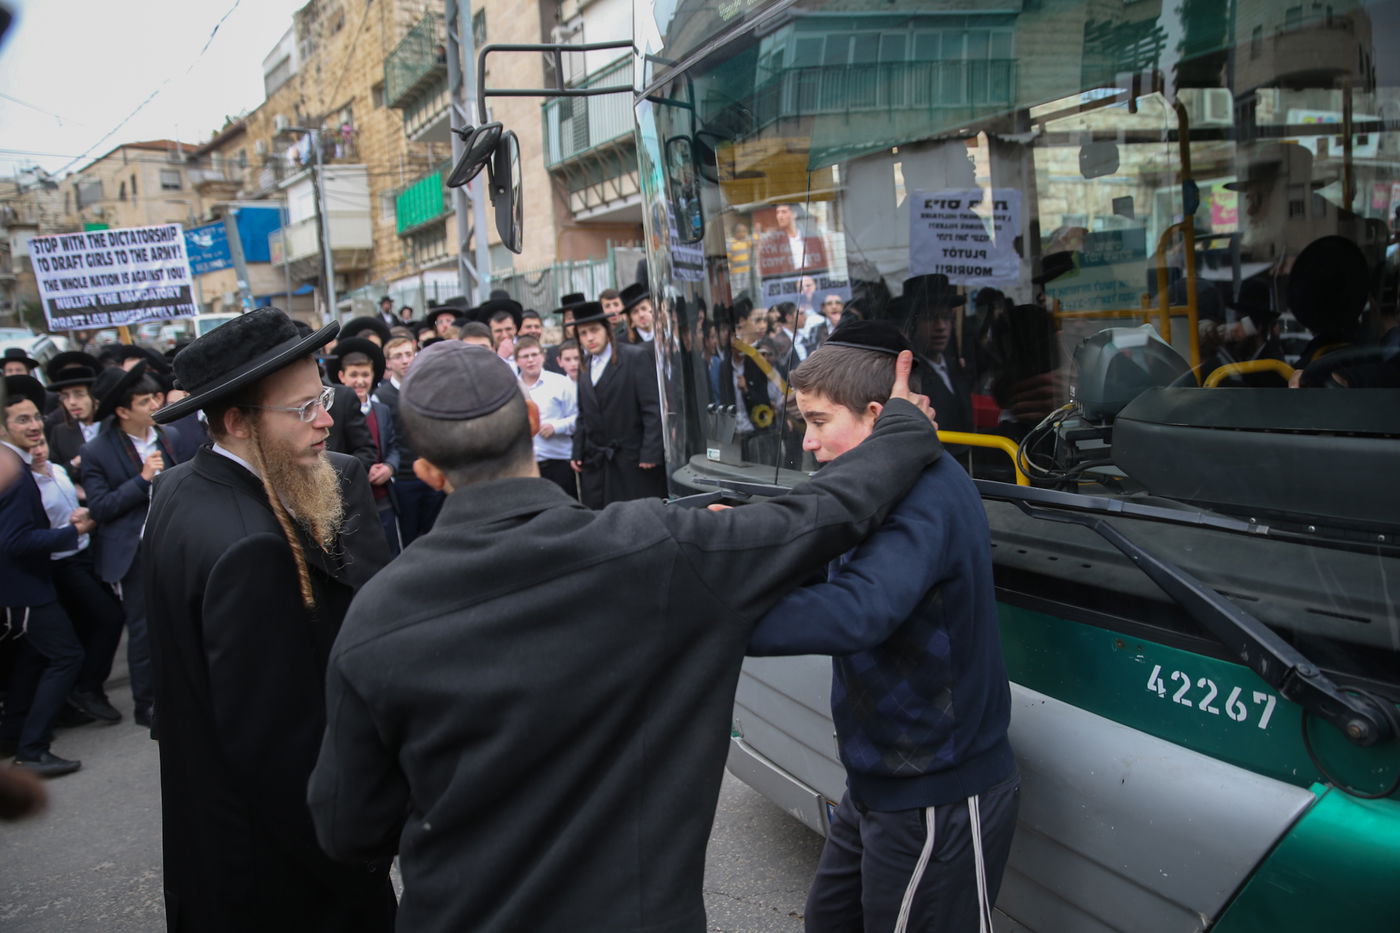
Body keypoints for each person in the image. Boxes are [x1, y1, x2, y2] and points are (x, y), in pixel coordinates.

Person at [307, 340, 941, 933]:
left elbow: (349, 830)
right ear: (533, 419)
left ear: (428, 471)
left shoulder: (377, 617)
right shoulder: (657, 553)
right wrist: (903, 423)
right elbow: (830, 511)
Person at [748, 321, 1018, 933]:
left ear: (876, 416)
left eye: (819, 422)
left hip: (936, 791)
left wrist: (721, 621)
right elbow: (811, 556)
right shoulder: (870, 486)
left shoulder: (925, 493)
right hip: (881, 780)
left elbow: (858, 610)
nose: (808, 444)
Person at [142, 306, 395, 932]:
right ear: (236, 422)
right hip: (280, 882)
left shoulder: (180, 487)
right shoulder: (252, 551)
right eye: (302, 408)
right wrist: (356, 860)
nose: (327, 421)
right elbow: (281, 762)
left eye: (323, 398)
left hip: (210, 844)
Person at [79, 361, 183, 729]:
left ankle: (182, 692)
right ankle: (148, 704)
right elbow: (101, 508)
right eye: (144, 402)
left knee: (181, 622)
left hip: (173, 543)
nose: (154, 405)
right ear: (122, 411)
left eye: (155, 397)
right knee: (144, 630)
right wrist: (141, 480)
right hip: (133, 553)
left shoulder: (168, 435)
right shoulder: (97, 451)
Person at [0, 375, 92, 777]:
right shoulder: (14, 474)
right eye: (22, 420)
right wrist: (74, 532)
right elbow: (17, 541)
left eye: (36, 417)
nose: (35, 426)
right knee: (66, 656)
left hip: (21, 587)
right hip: (23, 589)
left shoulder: (19, 466)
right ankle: (32, 749)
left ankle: (14, 735)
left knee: (34, 660)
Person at [30, 436, 126, 724]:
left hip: (84, 554)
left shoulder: (57, 471)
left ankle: (86, 688)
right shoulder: (26, 483)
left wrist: (85, 513)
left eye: (41, 443)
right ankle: (86, 688)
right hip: (61, 563)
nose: (37, 450)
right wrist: (75, 529)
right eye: (30, 448)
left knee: (100, 620)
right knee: (108, 618)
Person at [570, 300, 666, 506]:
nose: (589, 338)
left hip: (632, 460)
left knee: (637, 518)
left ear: (607, 329)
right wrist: (577, 451)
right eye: (583, 333)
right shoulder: (585, 366)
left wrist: (651, 453)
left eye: (594, 330)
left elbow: (652, 409)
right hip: (597, 462)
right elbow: (582, 414)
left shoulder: (634, 357)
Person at [333, 338, 401, 555]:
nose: (360, 381)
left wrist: (389, 467)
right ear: (341, 376)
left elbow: (393, 446)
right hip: (354, 501)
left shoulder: (381, 410)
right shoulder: (333, 413)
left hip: (383, 498)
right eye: (354, 375)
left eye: (365, 375)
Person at [374, 336, 442, 545]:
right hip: (403, 478)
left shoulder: (429, 388)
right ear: (388, 362)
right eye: (398, 356)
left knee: (437, 535)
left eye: (408, 354)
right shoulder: (381, 396)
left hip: (433, 473)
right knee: (409, 537)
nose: (405, 360)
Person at [514, 335, 577, 498]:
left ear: (543, 356)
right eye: (525, 356)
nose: (530, 360)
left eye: (534, 355)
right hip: (526, 466)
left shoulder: (561, 383)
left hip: (558, 462)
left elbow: (579, 418)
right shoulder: (511, 388)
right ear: (516, 360)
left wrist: (556, 427)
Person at [43, 351, 102, 486]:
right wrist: (74, 464)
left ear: (94, 396)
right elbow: (54, 473)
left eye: (78, 394)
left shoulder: (114, 424)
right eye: (65, 396)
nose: (71, 402)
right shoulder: (59, 433)